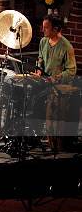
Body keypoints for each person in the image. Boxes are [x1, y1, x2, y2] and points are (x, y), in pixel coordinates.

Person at [35, 15, 77, 152]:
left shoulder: (66, 46)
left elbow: (71, 71)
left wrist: (56, 78)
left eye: (46, 28)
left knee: (55, 117)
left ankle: (57, 146)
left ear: (56, 29)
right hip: (45, 83)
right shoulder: (43, 42)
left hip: (59, 87)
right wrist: (39, 70)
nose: (43, 30)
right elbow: (40, 59)